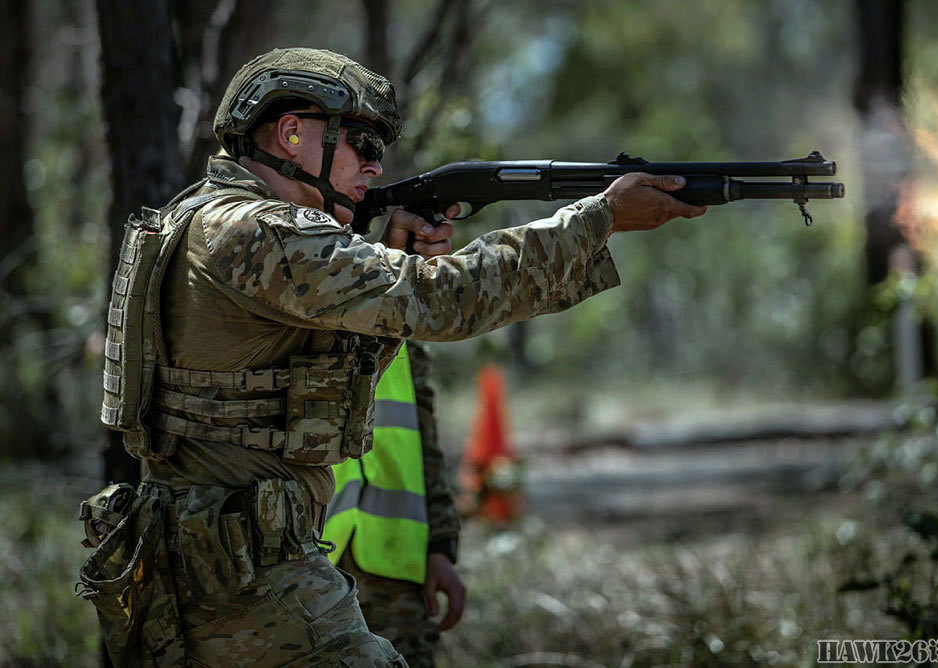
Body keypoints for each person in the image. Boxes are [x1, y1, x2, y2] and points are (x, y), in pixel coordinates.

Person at [81, 47, 707, 667]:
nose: (375, 168)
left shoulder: (201, 219)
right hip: (249, 577)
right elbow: (447, 299)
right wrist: (598, 220)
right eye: (362, 143)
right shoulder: (256, 230)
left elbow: (305, 388)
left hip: (211, 560)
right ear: (292, 132)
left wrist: (391, 278)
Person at [324, 340, 464, 668]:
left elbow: (425, 443)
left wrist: (440, 547)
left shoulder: (406, 319)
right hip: (309, 561)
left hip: (398, 566)